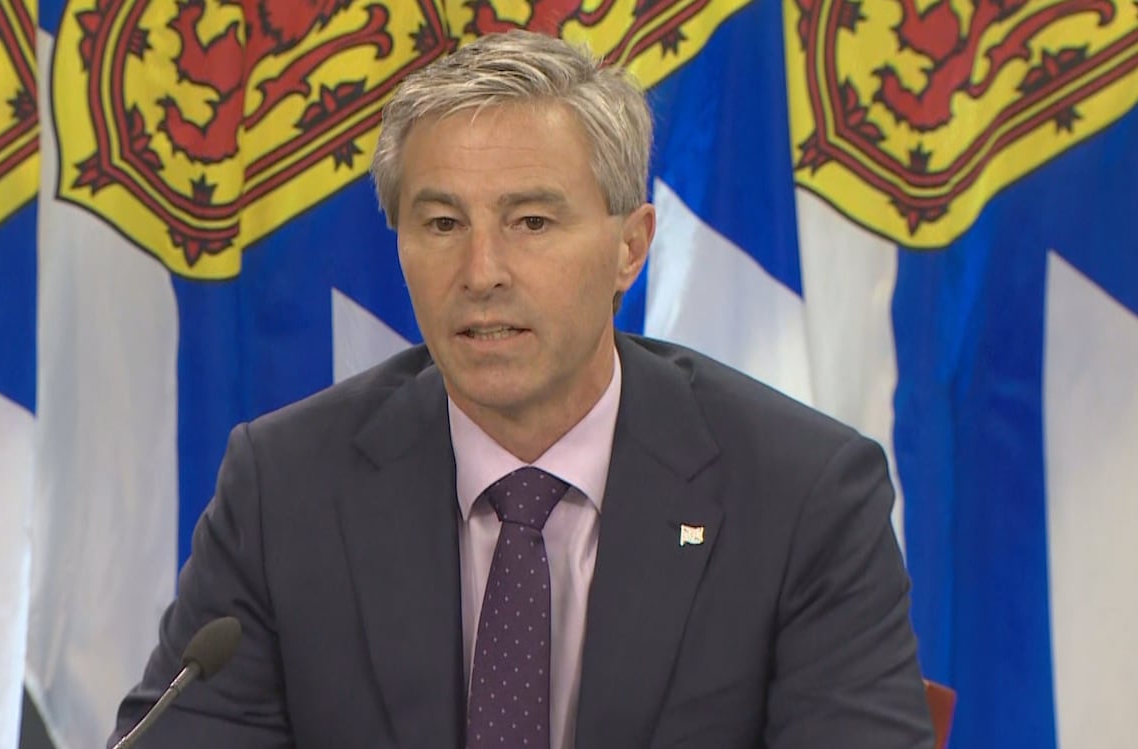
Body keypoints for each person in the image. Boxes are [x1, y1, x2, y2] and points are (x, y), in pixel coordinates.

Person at [111, 30, 934, 749]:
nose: (481, 272)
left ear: (630, 247)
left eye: (532, 222)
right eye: (442, 224)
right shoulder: (287, 486)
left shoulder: (799, 495)